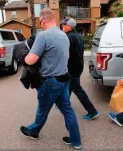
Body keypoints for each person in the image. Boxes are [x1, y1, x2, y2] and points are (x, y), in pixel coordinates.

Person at [20, 8, 82, 150]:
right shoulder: (63, 35)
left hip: (50, 82)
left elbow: (30, 60)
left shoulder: (43, 36)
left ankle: (33, 132)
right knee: (68, 110)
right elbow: (66, 58)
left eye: (39, 22)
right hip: (64, 79)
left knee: (43, 109)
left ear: (42, 20)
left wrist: (23, 54)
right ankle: (76, 141)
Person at [61, 18, 99, 120]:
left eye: (64, 25)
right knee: (69, 85)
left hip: (72, 67)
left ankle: (92, 111)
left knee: (77, 88)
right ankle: (64, 103)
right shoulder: (77, 36)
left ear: (70, 26)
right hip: (78, 66)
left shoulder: (68, 37)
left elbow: (66, 55)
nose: (62, 26)